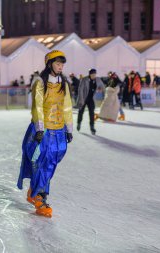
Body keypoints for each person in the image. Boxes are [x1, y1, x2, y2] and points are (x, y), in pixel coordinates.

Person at [17, 50, 73, 218]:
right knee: (40, 162)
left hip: (59, 130)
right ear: (49, 64)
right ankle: (39, 197)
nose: (60, 67)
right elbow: (38, 106)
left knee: (51, 163)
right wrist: (40, 128)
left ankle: (36, 191)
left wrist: (69, 129)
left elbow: (67, 107)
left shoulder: (64, 84)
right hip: (44, 130)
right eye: (57, 63)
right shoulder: (40, 82)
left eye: (62, 64)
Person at [77, 68, 105, 135]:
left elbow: (102, 87)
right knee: (81, 112)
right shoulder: (84, 79)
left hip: (91, 99)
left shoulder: (98, 79)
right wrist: (81, 99)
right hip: (83, 98)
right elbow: (80, 90)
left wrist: (100, 88)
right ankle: (79, 123)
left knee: (92, 113)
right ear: (89, 74)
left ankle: (92, 127)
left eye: (95, 74)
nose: (94, 75)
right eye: (92, 74)